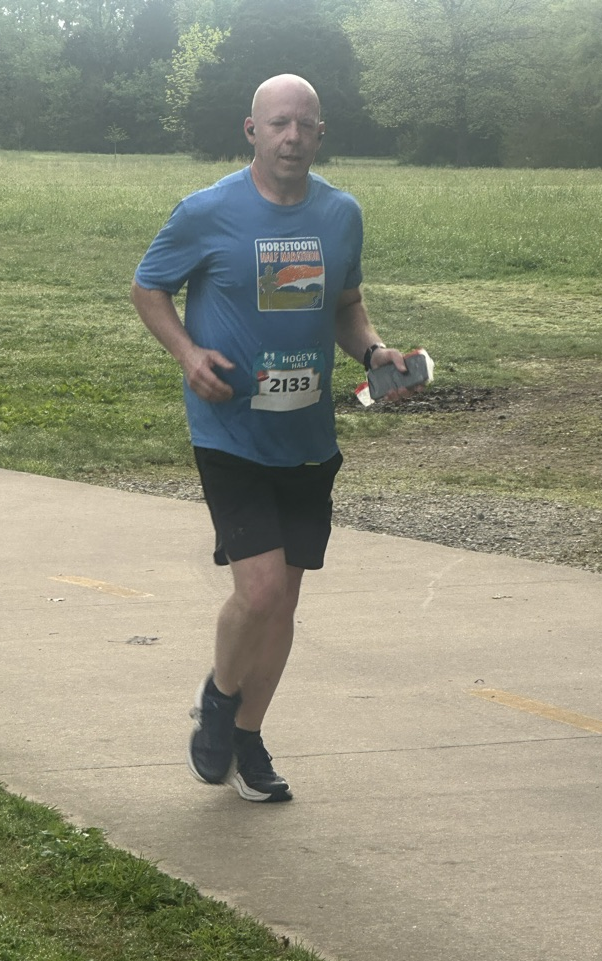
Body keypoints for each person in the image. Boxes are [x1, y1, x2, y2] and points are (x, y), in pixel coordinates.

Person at [131, 74, 422, 803]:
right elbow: (148, 286)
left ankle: (249, 740)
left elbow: (347, 306)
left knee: (284, 606)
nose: (292, 136)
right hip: (230, 430)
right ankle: (220, 698)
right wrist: (188, 355)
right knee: (258, 591)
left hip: (308, 437)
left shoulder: (341, 215)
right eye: (279, 123)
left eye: (305, 124)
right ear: (251, 130)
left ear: (321, 134)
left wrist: (373, 353)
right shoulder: (207, 212)